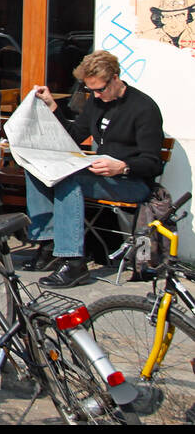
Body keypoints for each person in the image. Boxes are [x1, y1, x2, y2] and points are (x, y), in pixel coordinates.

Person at [22, 50, 164, 288]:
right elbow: (75, 136)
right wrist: (52, 106)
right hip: (102, 175)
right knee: (37, 170)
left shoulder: (144, 108)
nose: (96, 95)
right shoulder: (97, 103)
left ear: (116, 78)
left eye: (100, 89)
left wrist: (122, 167)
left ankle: (74, 262)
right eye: (91, 91)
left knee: (69, 181)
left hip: (133, 182)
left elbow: (153, 163)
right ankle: (48, 245)